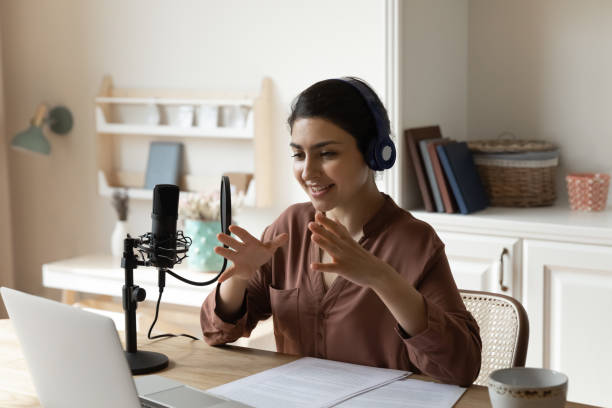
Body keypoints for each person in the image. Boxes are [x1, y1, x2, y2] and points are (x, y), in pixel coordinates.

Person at [200, 77, 481, 386]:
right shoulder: (289, 228)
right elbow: (217, 333)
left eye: (327, 154)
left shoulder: (415, 242)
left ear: (375, 152)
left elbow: (461, 367)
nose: (308, 172)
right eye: (298, 154)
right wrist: (239, 279)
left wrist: (381, 277)